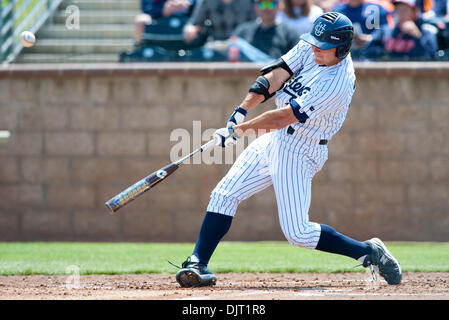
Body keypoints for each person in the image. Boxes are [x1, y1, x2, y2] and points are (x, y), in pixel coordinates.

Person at [174, 12, 402, 288]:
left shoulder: (336, 83)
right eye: (314, 42)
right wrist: (241, 110)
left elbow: (283, 117)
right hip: (276, 140)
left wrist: (237, 132)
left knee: (298, 233)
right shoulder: (313, 47)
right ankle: (198, 261)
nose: (315, 48)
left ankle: (369, 252)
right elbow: (276, 76)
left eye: (323, 46)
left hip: (300, 150)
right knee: (223, 195)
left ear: (342, 48)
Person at [365, 0, 439, 60]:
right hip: (390, 74)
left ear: (415, 11)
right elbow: (368, 51)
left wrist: (419, 37)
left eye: (404, 10)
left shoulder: (425, 31)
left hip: (417, 75)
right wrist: (384, 51)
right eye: (398, 9)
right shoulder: (386, 30)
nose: (401, 13)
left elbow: (433, 58)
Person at [230, 0, 301, 60]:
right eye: (263, 4)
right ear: (255, 6)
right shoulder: (242, 32)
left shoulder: (290, 34)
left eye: (271, 4)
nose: (267, 8)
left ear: (278, 6)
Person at [183, 0, 257, 43]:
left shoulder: (249, 2)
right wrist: (189, 30)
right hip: (217, 45)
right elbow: (194, 23)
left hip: (244, 47)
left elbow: (257, 23)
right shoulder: (207, 1)